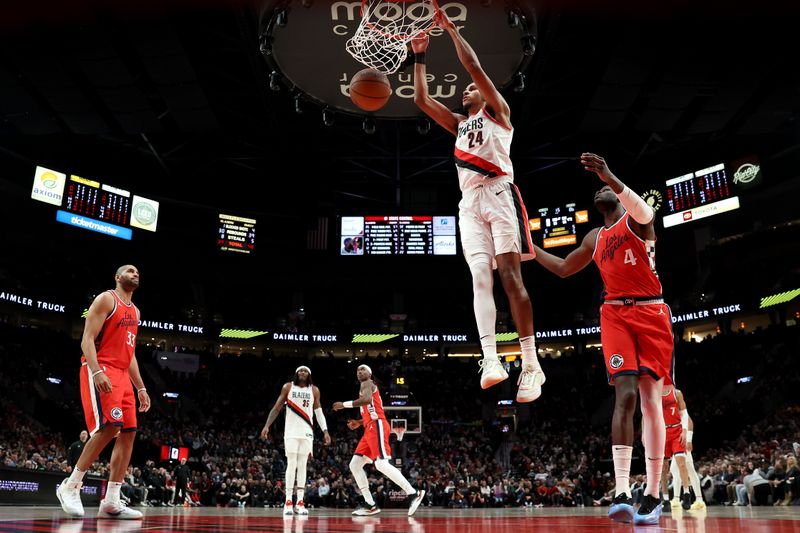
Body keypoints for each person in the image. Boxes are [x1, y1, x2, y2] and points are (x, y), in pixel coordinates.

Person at [530, 154, 672, 525]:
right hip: (614, 314)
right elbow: (563, 269)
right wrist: (529, 247)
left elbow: (644, 210)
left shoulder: (636, 222)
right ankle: (623, 489)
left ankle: (654, 493)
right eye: (598, 187)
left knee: (650, 401)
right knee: (624, 394)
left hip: (651, 311)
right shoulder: (595, 237)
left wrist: (609, 173)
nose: (600, 189)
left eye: (605, 186)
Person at [412, 13, 545, 402]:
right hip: (468, 204)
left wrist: (450, 30)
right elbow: (421, 99)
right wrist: (420, 55)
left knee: (510, 278)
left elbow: (473, 65)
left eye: (472, 89)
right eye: (466, 91)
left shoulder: (498, 114)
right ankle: (490, 360)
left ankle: (532, 364)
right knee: (479, 280)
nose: (466, 91)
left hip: (500, 193)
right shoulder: (458, 125)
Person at [56, 264, 151, 519]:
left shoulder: (137, 312)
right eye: (130, 270)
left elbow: (130, 354)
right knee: (110, 425)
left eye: (138, 272)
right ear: (118, 277)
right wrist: (97, 371)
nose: (135, 273)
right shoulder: (107, 299)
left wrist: (140, 386)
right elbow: (87, 339)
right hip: (101, 367)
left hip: (123, 373)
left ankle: (111, 500)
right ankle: (71, 485)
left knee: (129, 432)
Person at [332, 364, 426, 516]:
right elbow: (371, 409)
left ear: (370, 373)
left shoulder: (368, 383)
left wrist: (343, 405)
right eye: (358, 370)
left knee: (381, 464)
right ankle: (370, 504)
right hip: (369, 427)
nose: (360, 371)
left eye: (363, 369)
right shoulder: (363, 388)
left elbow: (368, 400)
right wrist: (359, 422)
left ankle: (413, 493)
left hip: (377, 426)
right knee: (355, 465)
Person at [260, 365, 331, 515]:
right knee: (291, 464)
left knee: (302, 465)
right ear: (296, 373)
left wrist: (325, 431)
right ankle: (287, 502)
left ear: (309, 374)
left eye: (305, 371)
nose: (302, 373)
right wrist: (267, 425)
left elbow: (319, 413)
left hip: (307, 431)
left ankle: (300, 502)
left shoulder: (314, 390)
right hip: (291, 431)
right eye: (300, 371)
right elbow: (277, 407)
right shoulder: (288, 387)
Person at [667, 391, 705, 510]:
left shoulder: (678, 407)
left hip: (682, 441)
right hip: (675, 441)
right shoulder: (669, 409)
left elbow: (689, 422)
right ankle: (677, 499)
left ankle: (698, 500)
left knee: (690, 470)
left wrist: (689, 439)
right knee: (675, 469)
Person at [660, 387, 692, 511]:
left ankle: (686, 494)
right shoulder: (655, 393)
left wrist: (685, 431)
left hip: (677, 430)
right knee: (663, 468)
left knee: (681, 464)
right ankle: (666, 499)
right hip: (663, 432)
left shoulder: (677, 393)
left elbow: (684, 414)